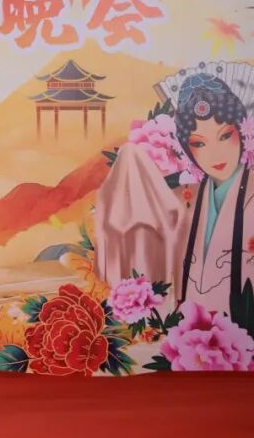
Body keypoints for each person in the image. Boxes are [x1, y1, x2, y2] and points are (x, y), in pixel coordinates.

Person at [95, 67, 253, 333]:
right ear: (186, 148)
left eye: (225, 136)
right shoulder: (185, 198)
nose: (215, 153)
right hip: (191, 333)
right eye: (199, 143)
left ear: (242, 131)